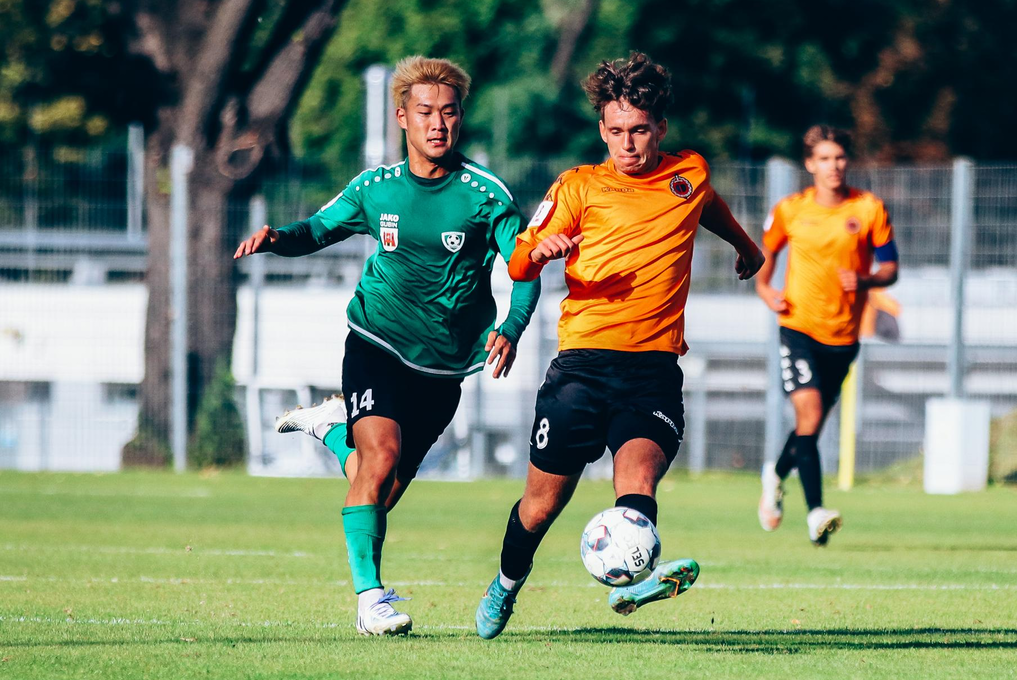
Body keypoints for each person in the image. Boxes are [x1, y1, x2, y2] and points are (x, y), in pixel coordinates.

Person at [233, 56, 540, 636]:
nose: (438, 124)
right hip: (377, 338)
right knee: (379, 460)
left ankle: (330, 429)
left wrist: (512, 325)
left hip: (445, 365)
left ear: (461, 117)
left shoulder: (486, 195)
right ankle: (370, 601)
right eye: (425, 112)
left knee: (382, 485)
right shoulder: (374, 188)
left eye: (449, 112)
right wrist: (277, 239)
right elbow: (317, 230)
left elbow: (525, 270)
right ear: (402, 117)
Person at [473, 52, 764, 640]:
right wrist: (540, 251)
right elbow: (520, 259)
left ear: (660, 127)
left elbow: (705, 202)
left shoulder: (689, 173)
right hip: (581, 369)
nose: (627, 143)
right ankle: (505, 585)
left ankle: (633, 581)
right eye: (616, 131)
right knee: (539, 507)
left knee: (637, 486)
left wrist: (745, 245)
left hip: (653, 371)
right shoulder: (577, 186)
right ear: (601, 130)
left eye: (639, 130)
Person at [754, 125, 899, 545]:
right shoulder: (791, 210)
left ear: (847, 161)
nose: (833, 165)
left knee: (810, 427)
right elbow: (765, 254)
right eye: (824, 158)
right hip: (798, 327)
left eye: (839, 157)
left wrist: (866, 280)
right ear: (810, 164)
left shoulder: (869, 209)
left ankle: (775, 474)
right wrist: (765, 289)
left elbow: (891, 268)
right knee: (811, 415)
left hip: (844, 337)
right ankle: (816, 512)